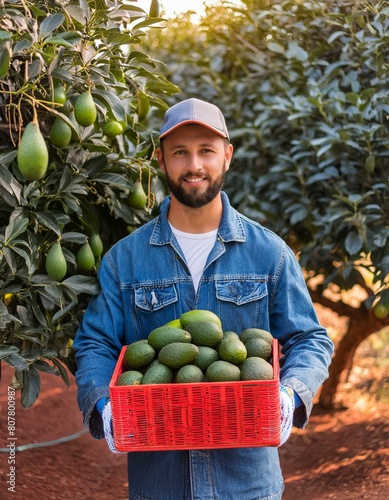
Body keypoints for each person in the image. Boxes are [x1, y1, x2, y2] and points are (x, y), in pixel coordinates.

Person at [74, 98, 334, 500]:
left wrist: (290, 392)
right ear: (161, 160)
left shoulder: (269, 253)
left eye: (206, 151)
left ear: (227, 157)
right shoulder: (125, 260)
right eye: (180, 152)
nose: (194, 164)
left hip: (247, 484)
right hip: (159, 484)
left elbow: (310, 339)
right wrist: (105, 406)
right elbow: (96, 343)